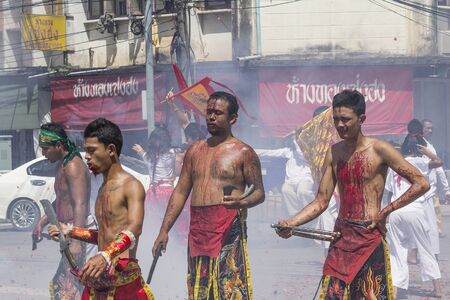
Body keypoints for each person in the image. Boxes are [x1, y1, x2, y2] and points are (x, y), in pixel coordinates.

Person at [276, 90, 430, 299]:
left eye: (346, 119)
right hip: (341, 238)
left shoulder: (380, 149)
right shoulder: (335, 152)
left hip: (369, 237)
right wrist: (291, 222)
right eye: (336, 119)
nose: (340, 125)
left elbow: (421, 183)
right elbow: (321, 200)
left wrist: (385, 212)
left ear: (361, 119)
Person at [152, 91, 265, 299]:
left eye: (218, 113)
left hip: (228, 226)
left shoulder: (243, 152)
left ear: (232, 119)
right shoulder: (194, 150)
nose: (211, 117)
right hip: (198, 230)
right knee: (200, 290)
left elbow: (259, 192)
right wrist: (164, 230)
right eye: (209, 112)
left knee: (228, 288)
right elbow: (180, 192)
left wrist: (243, 201)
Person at [48, 118, 154, 299]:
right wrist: (71, 231)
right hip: (98, 282)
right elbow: (104, 236)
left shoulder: (131, 186)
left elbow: (134, 230)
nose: (87, 156)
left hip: (123, 284)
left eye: (91, 151)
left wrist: (105, 255)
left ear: (111, 150)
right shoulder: (103, 189)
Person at [32, 122, 91, 299]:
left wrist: (76, 242)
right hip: (68, 231)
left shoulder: (73, 166)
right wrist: (42, 222)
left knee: (68, 287)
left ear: (58, 145)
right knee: (66, 285)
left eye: (45, 148)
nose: (43, 153)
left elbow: (80, 204)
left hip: (77, 231)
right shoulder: (62, 164)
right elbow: (63, 199)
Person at [386, 134, 442, 298]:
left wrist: (388, 214)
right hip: (416, 210)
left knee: (397, 252)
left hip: (397, 211)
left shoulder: (394, 165)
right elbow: (439, 162)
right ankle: (437, 289)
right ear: (418, 148)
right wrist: (428, 152)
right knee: (426, 249)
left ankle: (397, 289)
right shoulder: (421, 161)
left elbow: (389, 193)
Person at [422, 119, 450, 237]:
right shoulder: (423, 146)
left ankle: (436, 231)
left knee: (435, 209)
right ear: (422, 129)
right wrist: (446, 189)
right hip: (424, 187)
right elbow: (438, 169)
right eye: (428, 128)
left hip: (430, 187)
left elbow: (439, 170)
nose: (430, 130)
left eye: (431, 128)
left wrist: (446, 189)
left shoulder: (430, 145)